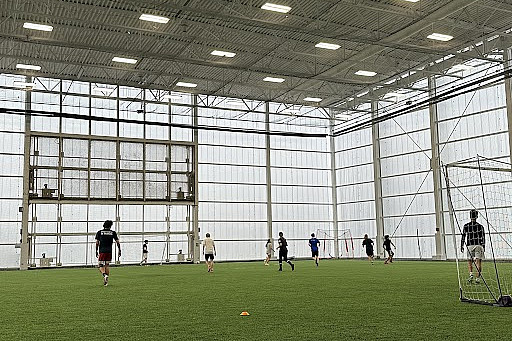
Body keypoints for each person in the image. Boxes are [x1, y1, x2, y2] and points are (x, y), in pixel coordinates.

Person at [461, 209, 485, 284]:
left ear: (470, 216)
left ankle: (471, 275)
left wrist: (461, 245)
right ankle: (477, 279)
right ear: (477, 216)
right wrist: (483, 246)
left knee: (469, 262)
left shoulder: (466, 226)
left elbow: (463, 236)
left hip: (469, 245)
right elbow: (483, 237)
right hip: (478, 245)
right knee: (478, 262)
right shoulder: (480, 226)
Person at [95, 220, 121, 286]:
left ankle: (104, 275)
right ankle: (106, 281)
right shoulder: (113, 233)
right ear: (110, 226)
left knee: (100, 265)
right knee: (107, 265)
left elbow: (97, 243)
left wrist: (96, 251)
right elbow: (117, 242)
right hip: (109, 251)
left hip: (102, 251)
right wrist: (119, 250)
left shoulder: (99, 232)